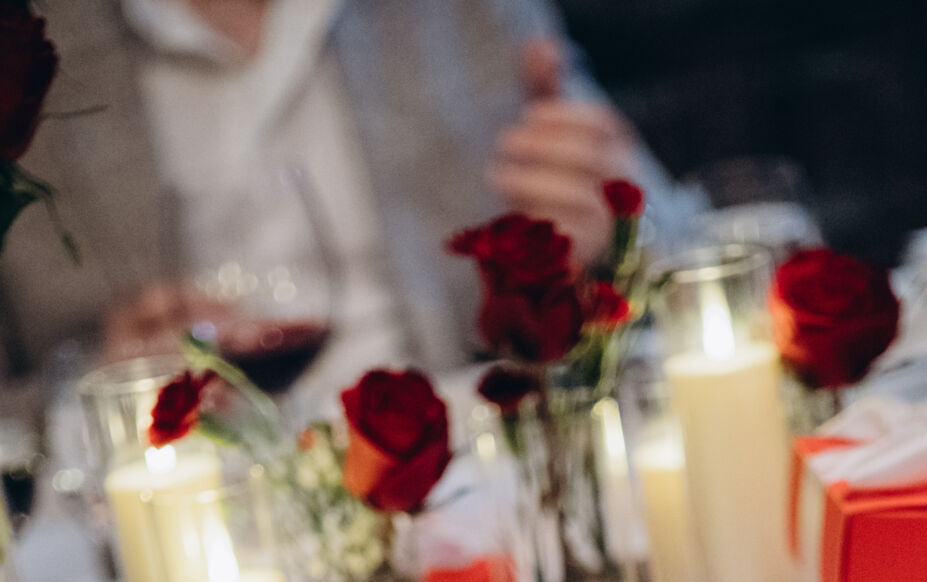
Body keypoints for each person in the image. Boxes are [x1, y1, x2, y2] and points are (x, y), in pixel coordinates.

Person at [0, 0, 696, 387]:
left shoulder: (464, 14)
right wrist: (93, 399)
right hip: (192, 535)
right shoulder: (32, 61)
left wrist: (618, 238)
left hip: (471, 476)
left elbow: (678, 251)